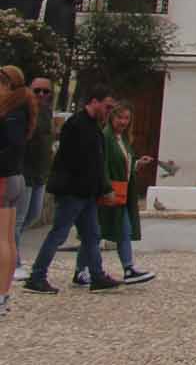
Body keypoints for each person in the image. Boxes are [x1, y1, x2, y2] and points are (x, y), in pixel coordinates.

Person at [21, 83, 119, 293]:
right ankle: (37, 276)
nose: (108, 112)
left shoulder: (91, 126)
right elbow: (81, 162)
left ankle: (97, 275)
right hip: (74, 192)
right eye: (107, 107)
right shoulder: (77, 125)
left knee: (92, 235)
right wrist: (103, 187)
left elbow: (94, 162)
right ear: (94, 102)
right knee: (59, 234)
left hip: (86, 192)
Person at [92, 100, 156, 285]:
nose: (123, 122)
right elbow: (103, 165)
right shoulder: (106, 138)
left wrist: (137, 163)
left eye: (127, 118)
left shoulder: (123, 140)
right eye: (120, 117)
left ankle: (128, 267)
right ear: (112, 117)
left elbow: (124, 163)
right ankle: (83, 269)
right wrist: (106, 188)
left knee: (122, 230)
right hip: (110, 191)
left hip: (122, 192)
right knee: (95, 233)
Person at [15, 74, 55, 253]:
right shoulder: (22, 111)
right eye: (37, 90)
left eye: (45, 91)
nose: (40, 94)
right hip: (24, 171)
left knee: (33, 215)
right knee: (19, 218)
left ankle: (10, 249)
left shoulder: (47, 112)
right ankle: (13, 261)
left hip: (40, 173)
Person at [0, 66, 28, 317]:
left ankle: (1, 296)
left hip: (4, 177)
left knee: (3, 240)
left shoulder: (12, 113)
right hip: (14, 176)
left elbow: (11, 146)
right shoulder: (21, 110)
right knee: (7, 239)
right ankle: (3, 296)